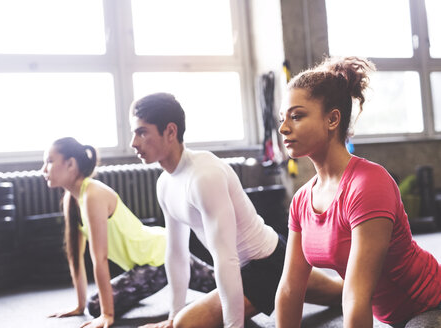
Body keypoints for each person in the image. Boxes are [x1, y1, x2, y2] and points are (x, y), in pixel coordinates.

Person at [274, 56, 441, 328]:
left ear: (332, 119)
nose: (283, 127)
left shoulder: (368, 184)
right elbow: (290, 289)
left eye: (296, 116)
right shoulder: (301, 201)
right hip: (402, 318)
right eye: (282, 118)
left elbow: (356, 296)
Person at [129, 92, 343, 328]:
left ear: (170, 131)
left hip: (267, 263)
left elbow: (226, 257)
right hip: (245, 269)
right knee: (340, 292)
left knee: (187, 324)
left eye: (142, 132)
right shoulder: (165, 184)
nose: (134, 143)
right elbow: (177, 253)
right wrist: (172, 316)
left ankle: (373, 277)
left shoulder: (204, 175)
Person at [42, 137, 216, 328]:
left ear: (70, 164)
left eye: (49, 162)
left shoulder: (93, 194)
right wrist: (79, 305)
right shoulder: (72, 199)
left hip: (159, 256)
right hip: (143, 263)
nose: (44, 170)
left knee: (227, 288)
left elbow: (99, 258)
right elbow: (76, 257)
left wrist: (107, 315)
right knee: (93, 305)